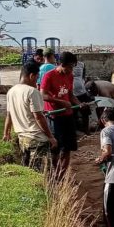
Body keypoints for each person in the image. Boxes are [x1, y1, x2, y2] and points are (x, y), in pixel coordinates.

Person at [2, 62, 58, 170]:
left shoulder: (11, 91)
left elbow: (9, 115)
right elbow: (38, 117)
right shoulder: (32, 92)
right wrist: (51, 137)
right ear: (32, 75)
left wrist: (6, 133)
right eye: (37, 78)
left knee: (27, 170)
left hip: (22, 139)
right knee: (41, 172)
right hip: (37, 139)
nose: (37, 81)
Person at [40, 51, 82, 180]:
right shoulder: (49, 76)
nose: (71, 70)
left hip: (68, 116)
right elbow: (43, 95)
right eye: (70, 67)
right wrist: (60, 102)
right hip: (54, 117)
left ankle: (62, 176)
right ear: (62, 64)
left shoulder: (70, 76)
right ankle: (55, 174)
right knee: (56, 148)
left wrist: (79, 104)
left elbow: (70, 95)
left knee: (67, 148)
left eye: (73, 67)